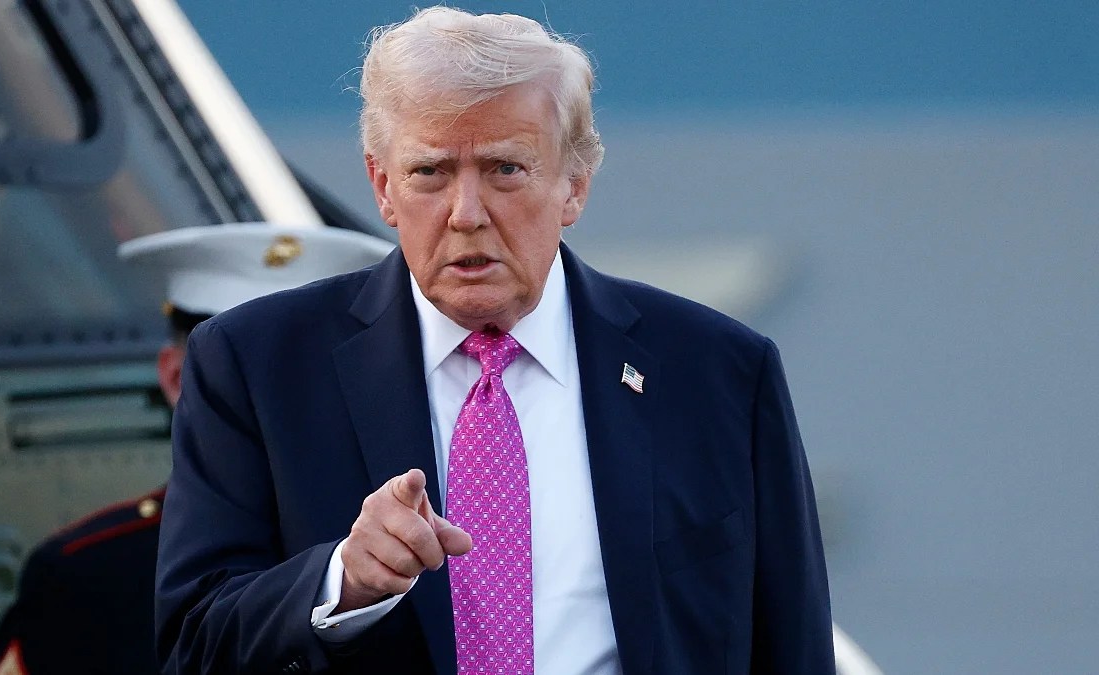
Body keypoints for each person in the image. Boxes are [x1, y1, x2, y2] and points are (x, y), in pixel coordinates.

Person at [156, 7, 835, 675]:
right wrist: (342, 581)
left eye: (505, 169)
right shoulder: (257, 366)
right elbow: (193, 645)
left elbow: (792, 645)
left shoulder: (718, 372)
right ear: (383, 186)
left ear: (574, 185)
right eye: (431, 172)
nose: (466, 214)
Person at [0, 223, 393, 675]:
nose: (274, 402)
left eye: (300, 377)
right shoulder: (85, 577)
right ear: (175, 379)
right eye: (234, 375)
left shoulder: (403, 556)